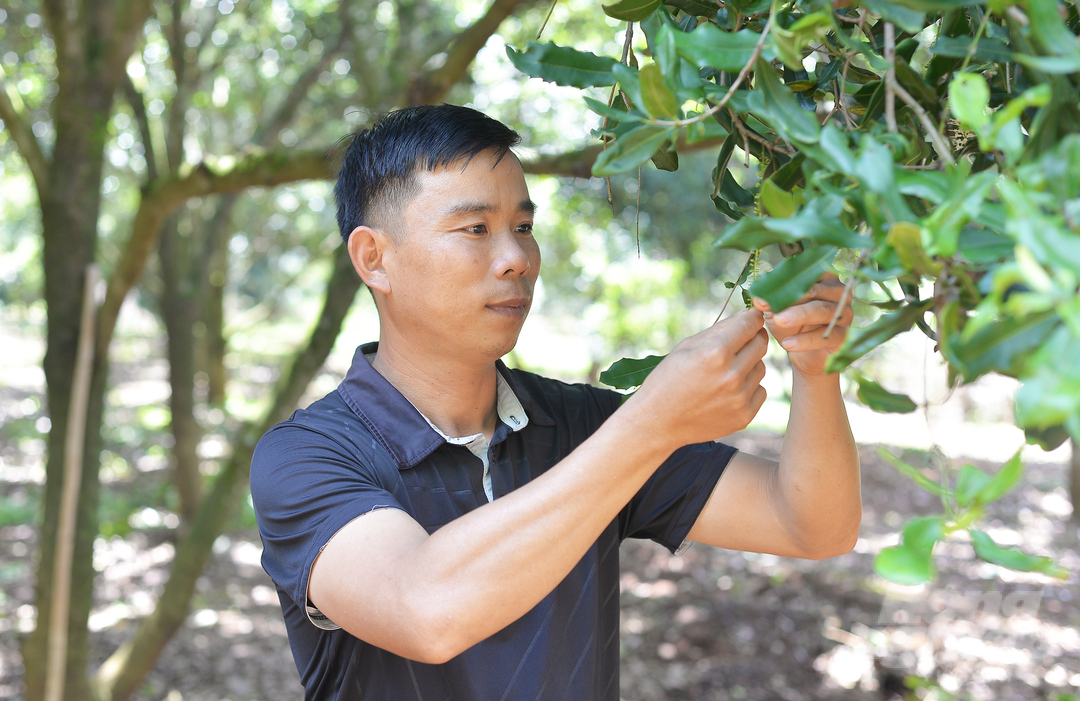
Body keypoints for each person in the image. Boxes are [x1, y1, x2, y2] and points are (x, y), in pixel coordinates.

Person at [249, 104, 861, 701]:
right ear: (374, 259)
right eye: (475, 229)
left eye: (523, 227)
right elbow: (424, 611)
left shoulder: (576, 424)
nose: (517, 259)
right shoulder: (306, 458)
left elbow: (812, 525)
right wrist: (652, 422)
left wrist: (816, 369)